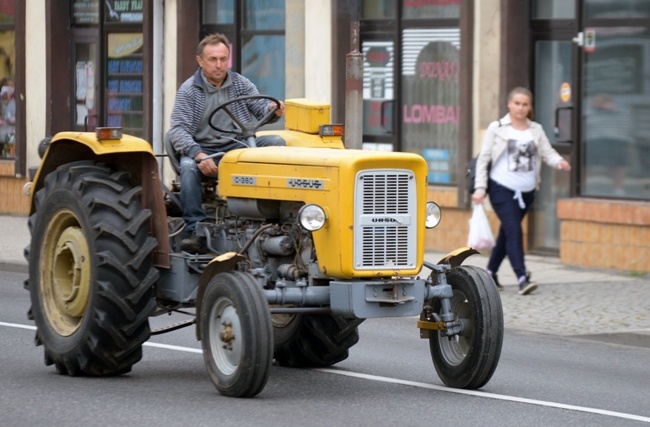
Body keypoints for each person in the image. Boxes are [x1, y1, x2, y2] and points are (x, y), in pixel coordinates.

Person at [167, 33, 286, 253]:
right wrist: (197, 154)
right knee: (188, 167)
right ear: (200, 60)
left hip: (236, 145)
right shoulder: (189, 91)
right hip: (203, 148)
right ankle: (195, 230)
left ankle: (275, 217)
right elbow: (178, 130)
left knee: (277, 143)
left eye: (223, 59)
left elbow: (259, 107)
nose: (219, 65)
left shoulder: (240, 83)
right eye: (212, 59)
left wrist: (273, 110)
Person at [472, 87, 571, 295]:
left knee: (507, 233)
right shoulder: (497, 128)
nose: (520, 107)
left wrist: (559, 161)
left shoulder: (535, 129)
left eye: (525, 104)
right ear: (509, 104)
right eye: (517, 103)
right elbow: (484, 159)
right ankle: (522, 277)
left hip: (527, 192)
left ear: (530, 107)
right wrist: (480, 188)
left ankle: (490, 272)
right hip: (501, 189)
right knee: (515, 231)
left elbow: (547, 152)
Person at [0, 77, 16, 158]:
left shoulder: (16, 101)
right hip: (1, 136)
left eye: (12, 86)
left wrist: (13, 120)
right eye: (7, 86)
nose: (10, 88)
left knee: (10, 156)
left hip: (12, 136)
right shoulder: (1, 102)